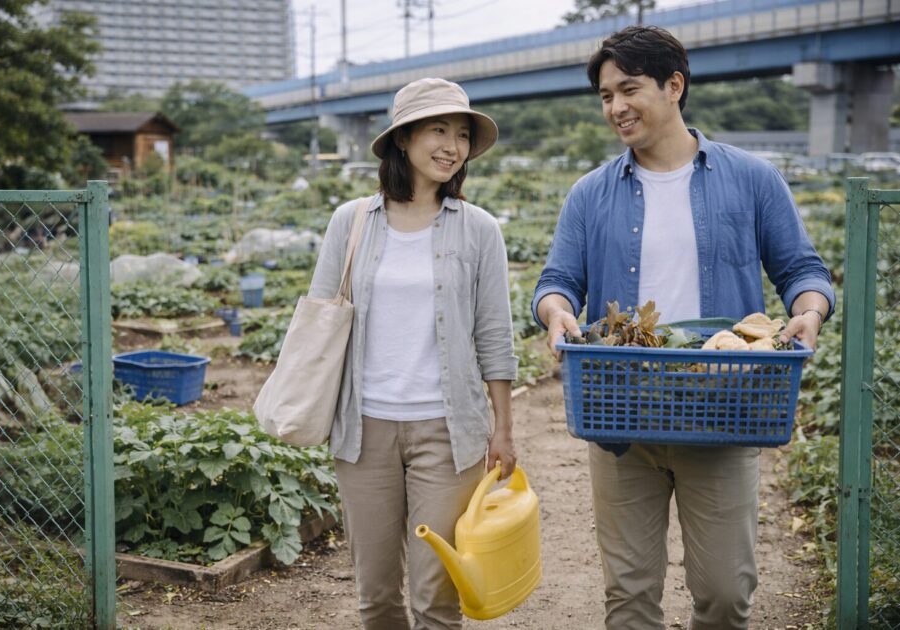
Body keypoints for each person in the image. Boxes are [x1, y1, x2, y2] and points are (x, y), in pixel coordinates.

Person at [531, 26, 834, 630]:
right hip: (620, 411)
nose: (616, 107)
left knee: (726, 594)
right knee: (630, 596)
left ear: (674, 86)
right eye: (604, 95)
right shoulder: (590, 194)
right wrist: (556, 311)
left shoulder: (751, 178)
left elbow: (802, 270)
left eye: (628, 89)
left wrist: (810, 310)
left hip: (722, 408)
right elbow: (556, 280)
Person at [308, 77, 518, 630]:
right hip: (364, 432)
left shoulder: (479, 230)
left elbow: (495, 334)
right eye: (438, 130)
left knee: (437, 598)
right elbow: (319, 316)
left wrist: (503, 429)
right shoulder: (351, 222)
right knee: (375, 595)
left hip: (448, 435)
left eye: (462, 134)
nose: (452, 145)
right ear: (403, 139)